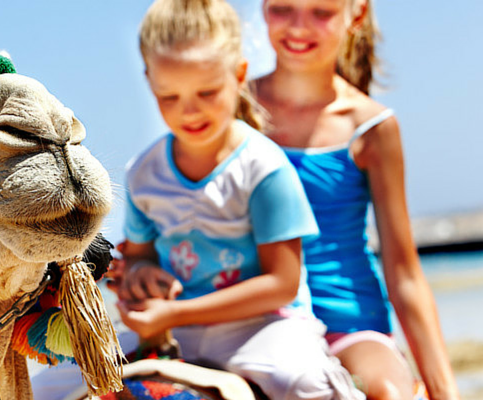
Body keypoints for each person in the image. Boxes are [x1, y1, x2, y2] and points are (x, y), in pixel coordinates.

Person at [115, 1, 361, 399]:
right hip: (178, 331)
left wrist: (176, 312)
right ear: (149, 81)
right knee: (55, 384)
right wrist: (142, 278)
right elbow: (141, 257)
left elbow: (282, 284)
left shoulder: (263, 167)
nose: (189, 111)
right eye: (169, 96)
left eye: (207, 92)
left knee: (302, 382)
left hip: (264, 326)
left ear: (239, 74)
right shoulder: (143, 173)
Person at [251, 0, 459, 399]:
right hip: (257, 321)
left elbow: (404, 273)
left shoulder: (371, 127)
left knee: (387, 392)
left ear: (356, 14)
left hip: (351, 324)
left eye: (321, 12)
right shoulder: (225, 109)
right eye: (282, 9)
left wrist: (445, 390)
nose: (298, 27)